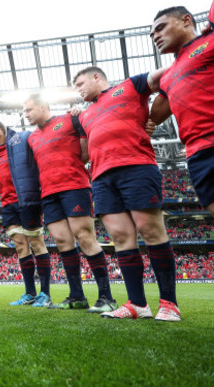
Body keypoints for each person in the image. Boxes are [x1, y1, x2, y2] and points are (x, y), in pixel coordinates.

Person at [73, 65, 179, 321]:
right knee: (120, 237)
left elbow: (170, 71)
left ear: (96, 77)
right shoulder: (84, 116)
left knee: (150, 229)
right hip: (101, 177)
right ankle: (137, 305)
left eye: (79, 84)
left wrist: (154, 117)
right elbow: (84, 154)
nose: (78, 91)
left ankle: (169, 304)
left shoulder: (130, 87)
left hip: (137, 167)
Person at [24, 94, 116, 313]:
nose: (25, 115)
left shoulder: (70, 119)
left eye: (29, 110)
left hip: (74, 186)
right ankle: (77, 296)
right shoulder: (32, 138)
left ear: (43, 106)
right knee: (63, 241)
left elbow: (85, 152)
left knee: (84, 237)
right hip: (48, 193)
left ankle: (106, 297)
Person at [150, 5, 214, 219]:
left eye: (160, 28)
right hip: (197, 155)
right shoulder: (168, 77)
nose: (155, 36)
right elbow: (154, 116)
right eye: (152, 34)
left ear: (186, 20)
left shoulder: (209, 42)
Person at [0, 120, 52, 307]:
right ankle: (30, 293)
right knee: (21, 247)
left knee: (37, 244)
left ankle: (45, 294)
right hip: (7, 204)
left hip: (26, 200)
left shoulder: (21, 141)